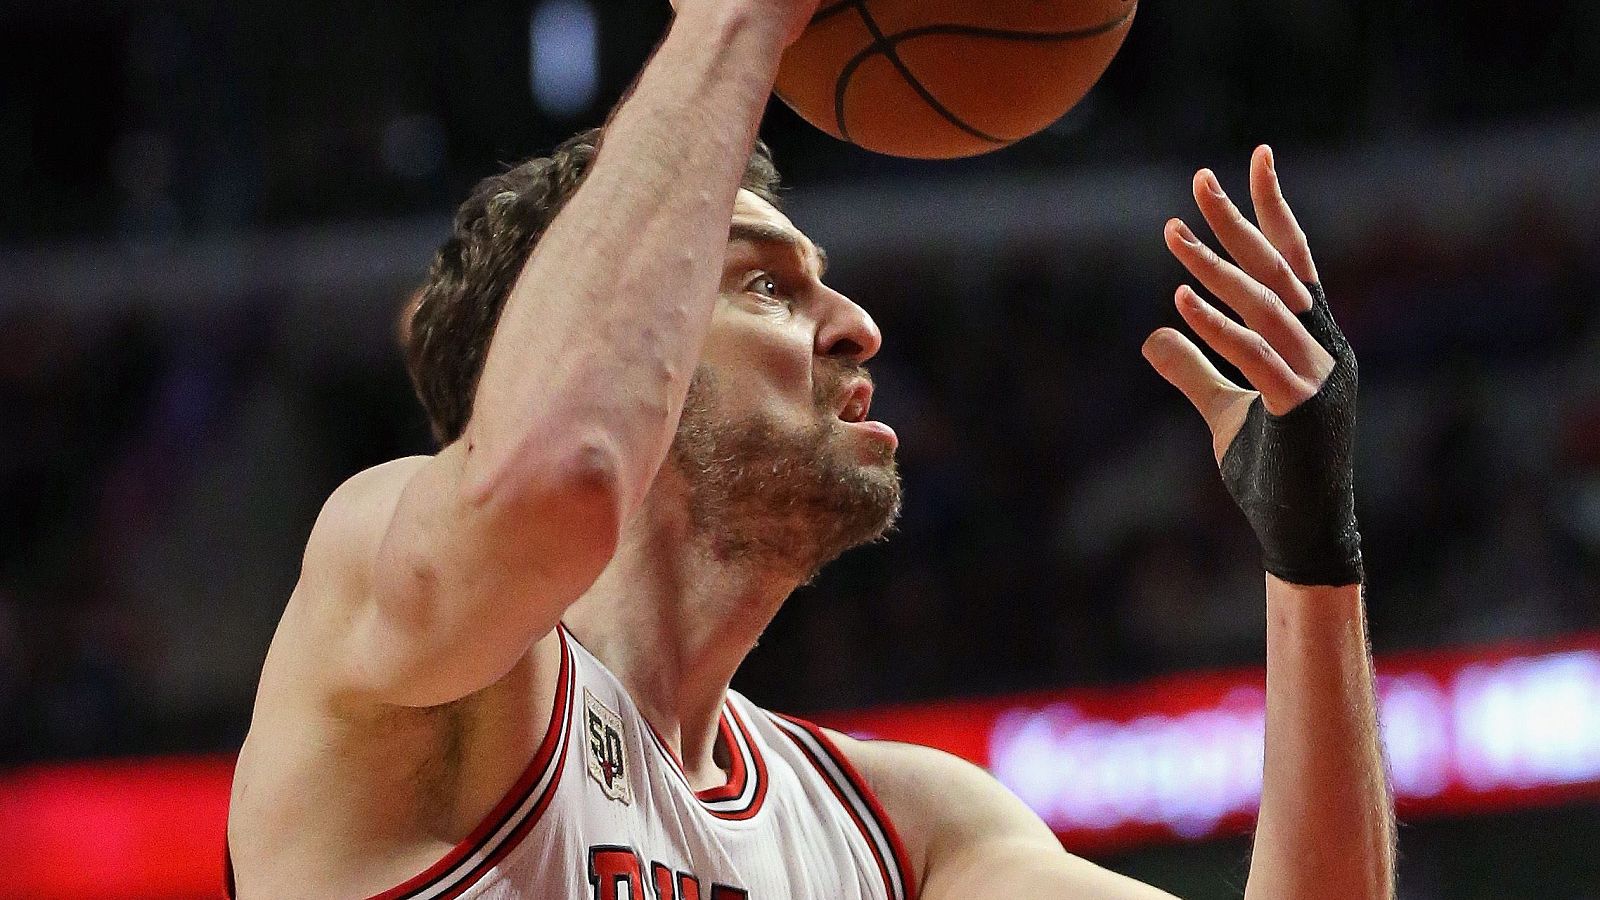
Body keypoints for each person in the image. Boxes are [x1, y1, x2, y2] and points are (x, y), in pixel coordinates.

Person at [225, 1, 1395, 897]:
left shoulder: (902, 831)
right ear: (626, 322)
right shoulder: (418, 660)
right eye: (766, 287)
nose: (856, 326)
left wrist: (1313, 559)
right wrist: (738, 17)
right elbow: (556, 477)